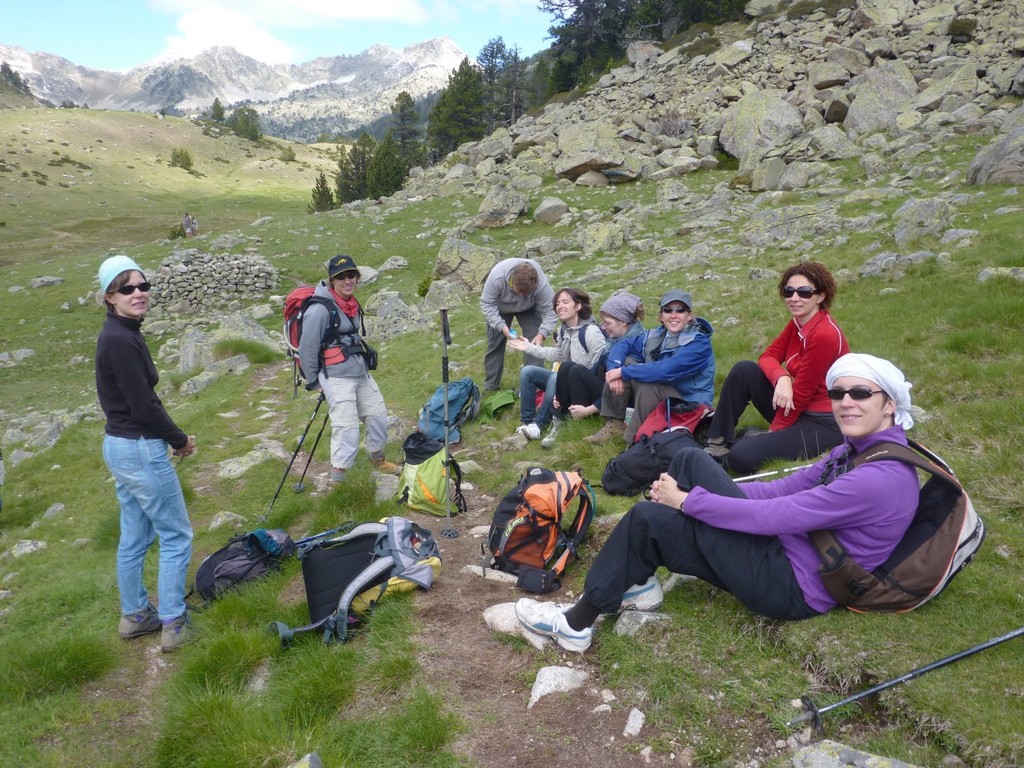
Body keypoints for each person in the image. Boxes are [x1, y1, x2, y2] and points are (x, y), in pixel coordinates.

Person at [514, 353, 919, 652]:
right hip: (785, 555)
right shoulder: (855, 451)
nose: (846, 402)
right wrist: (701, 499)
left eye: (860, 393)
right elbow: (783, 489)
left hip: (791, 585)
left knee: (654, 507)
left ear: (889, 404)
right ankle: (637, 582)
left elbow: (777, 516)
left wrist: (689, 501)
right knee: (680, 474)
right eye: (838, 392)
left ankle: (575, 624)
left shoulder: (878, 479)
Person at [94, 255, 196, 652]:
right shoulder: (121, 341)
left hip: (119, 447)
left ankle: (135, 615)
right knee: (176, 535)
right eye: (127, 288)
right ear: (109, 296)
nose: (138, 293)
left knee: (135, 534)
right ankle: (174, 622)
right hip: (139, 447)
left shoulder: (119, 333)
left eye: (143, 285)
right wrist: (179, 440)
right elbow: (144, 407)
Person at [703, 262, 850, 475]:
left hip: (824, 422)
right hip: (798, 408)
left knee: (740, 457)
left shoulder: (824, 335)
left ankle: (754, 440)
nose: (794, 298)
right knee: (744, 370)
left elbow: (801, 395)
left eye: (804, 292)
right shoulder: (797, 323)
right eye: (789, 291)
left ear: (820, 296)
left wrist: (774, 433)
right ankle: (717, 440)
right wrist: (782, 377)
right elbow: (768, 356)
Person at [297, 255, 400, 483]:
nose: (347, 280)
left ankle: (378, 460)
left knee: (378, 416)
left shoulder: (350, 303)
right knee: (347, 428)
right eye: (341, 277)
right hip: (335, 376)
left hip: (359, 371)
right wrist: (314, 382)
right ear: (332, 280)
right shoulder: (319, 310)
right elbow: (307, 349)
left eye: (351, 275)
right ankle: (338, 479)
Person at [585, 289, 715, 445]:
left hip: (688, 404)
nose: (673, 315)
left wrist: (623, 372)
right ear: (661, 316)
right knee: (628, 360)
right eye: (668, 310)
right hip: (664, 396)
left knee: (648, 383)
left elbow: (665, 370)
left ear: (690, 316)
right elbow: (623, 345)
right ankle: (615, 425)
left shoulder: (699, 343)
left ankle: (633, 441)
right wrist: (615, 369)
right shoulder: (656, 335)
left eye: (680, 310)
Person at [507, 288, 605, 447]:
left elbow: (598, 369)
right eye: (557, 303)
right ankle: (528, 423)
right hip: (565, 379)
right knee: (528, 372)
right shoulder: (563, 330)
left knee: (556, 375)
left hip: (582, 386)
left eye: (565, 302)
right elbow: (557, 354)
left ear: (578, 306)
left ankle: (541, 425)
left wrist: (562, 389)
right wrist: (529, 348)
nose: (560, 306)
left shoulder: (591, 332)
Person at [550, 292, 646, 432]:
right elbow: (596, 370)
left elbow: (621, 392)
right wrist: (563, 391)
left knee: (577, 370)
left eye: (607, 323)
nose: (603, 327)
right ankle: (562, 417)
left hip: (616, 402)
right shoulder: (614, 341)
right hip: (604, 391)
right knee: (568, 367)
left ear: (623, 322)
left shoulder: (634, 347)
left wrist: (588, 410)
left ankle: (579, 419)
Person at [479, 258, 558, 392]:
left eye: (525, 293)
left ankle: (533, 385)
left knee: (534, 343)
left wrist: (542, 334)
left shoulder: (541, 285)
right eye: (519, 292)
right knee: (495, 344)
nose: (521, 295)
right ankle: (491, 386)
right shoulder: (497, 277)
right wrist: (501, 326)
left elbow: (551, 310)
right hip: (500, 308)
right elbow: (487, 304)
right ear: (512, 282)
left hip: (529, 308)